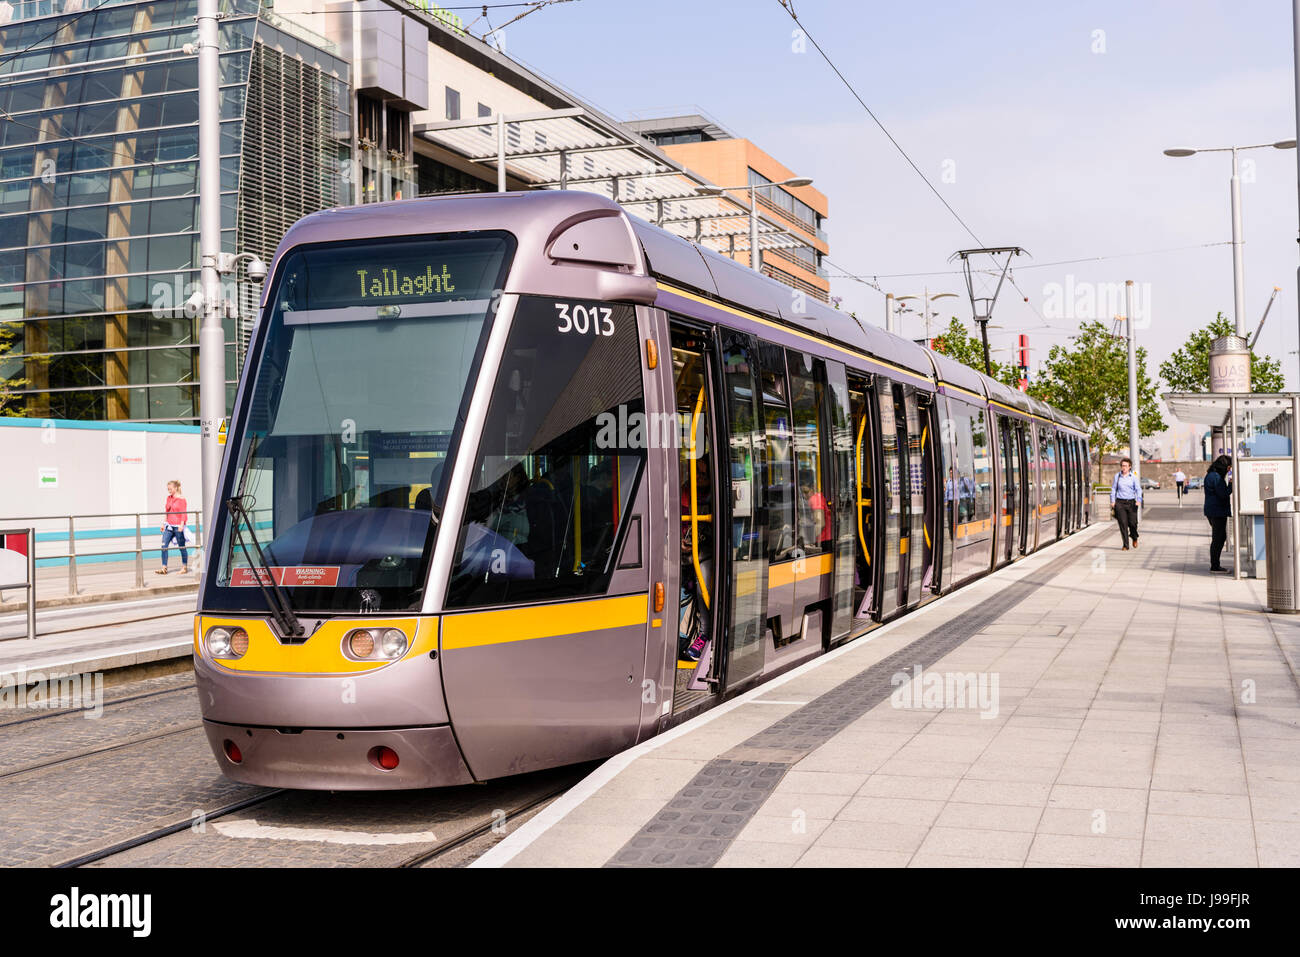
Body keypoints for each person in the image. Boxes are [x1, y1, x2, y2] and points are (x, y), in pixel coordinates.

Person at [1203, 455, 1233, 572]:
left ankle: (1215, 564)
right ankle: (1215, 565)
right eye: (1229, 467)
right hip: (1217, 511)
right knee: (1218, 538)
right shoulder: (1216, 477)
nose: (1229, 470)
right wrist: (1231, 484)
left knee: (1220, 537)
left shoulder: (1212, 475)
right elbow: (1223, 493)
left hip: (1214, 510)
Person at [156, 479, 189, 575]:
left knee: (181, 546)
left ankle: (184, 567)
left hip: (178, 525)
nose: (169, 490)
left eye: (170, 489)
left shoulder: (182, 499)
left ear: (175, 488)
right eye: (168, 489)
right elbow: (167, 511)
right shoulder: (168, 498)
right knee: (163, 545)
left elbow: (183, 513)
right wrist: (163, 523)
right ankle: (164, 568)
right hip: (169, 526)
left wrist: (182, 525)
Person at [1110, 457, 1142, 550]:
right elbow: (1113, 489)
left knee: (1133, 523)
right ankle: (1125, 545)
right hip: (1120, 503)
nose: (1123, 468)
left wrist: (1138, 500)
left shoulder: (1133, 477)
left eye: (1125, 466)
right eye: (1122, 466)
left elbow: (1138, 489)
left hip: (1131, 502)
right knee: (1123, 524)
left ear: (1129, 467)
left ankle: (1134, 537)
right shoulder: (1117, 476)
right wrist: (1113, 501)